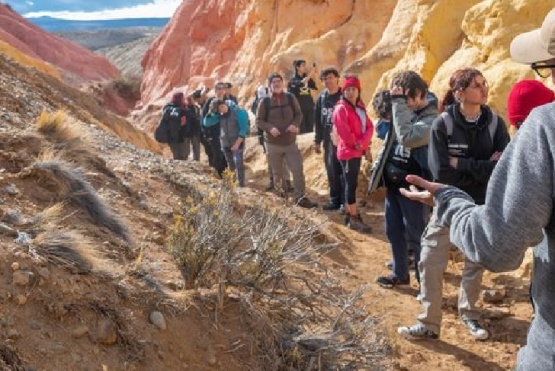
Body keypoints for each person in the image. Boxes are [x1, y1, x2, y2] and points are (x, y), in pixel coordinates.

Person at [397, 68, 510, 341]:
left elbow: (503, 169)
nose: (484, 90)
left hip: (482, 206)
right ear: (459, 93)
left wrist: (463, 164)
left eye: (485, 83)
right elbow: (442, 174)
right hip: (448, 205)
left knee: (475, 263)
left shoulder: (495, 123)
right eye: (477, 86)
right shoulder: (443, 124)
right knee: (430, 261)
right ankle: (428, 323)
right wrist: (484, 166)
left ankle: (470, 315)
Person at [373, 71, 438, 289]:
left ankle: (425, 286)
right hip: (394, 185)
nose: (402, 103)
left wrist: (399, 105)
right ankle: (400, 274)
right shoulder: (401, 110)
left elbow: (409, 138)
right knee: (393, 231)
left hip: (415, 189)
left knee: (417, 237)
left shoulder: (432, 118)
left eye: (406, 98)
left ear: (420, 94)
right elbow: (389, 141)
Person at [256, 72, 317, 208]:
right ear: (270, 85)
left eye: (279, 81)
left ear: (282, 83)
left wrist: (295, 125)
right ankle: (281, 201)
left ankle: (300, 198)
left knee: (297, 170)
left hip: (290, 142)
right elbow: (259, 121)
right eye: (274, 82)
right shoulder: (264, 102)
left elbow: (298, 114)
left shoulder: (290, 98)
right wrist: (270, 128)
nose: (277, 84)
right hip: (273, 144)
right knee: (278, 174)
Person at [331, 76, 373, 232]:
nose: (350, 92)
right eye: (347, 89)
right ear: (343, 91)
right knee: (350, 184)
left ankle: (349, 215)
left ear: (358, 90)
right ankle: (353, 216)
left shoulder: (360, 108)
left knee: (351, 183)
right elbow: (344, 132)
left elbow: (369, 127)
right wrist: (358, 144)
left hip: (357, 150)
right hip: (348, 152)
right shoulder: (341, 108)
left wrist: (362, 144)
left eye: (353, 89)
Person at [313, 67, 345, 211]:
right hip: (328, 141)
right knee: (331, 171)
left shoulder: (345, 95)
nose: (328, 81)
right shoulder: (322, 98)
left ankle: (346, 202)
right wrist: (317, 141)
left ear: (337, 78)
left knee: (344, 171)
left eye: (331, 77)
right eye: (325, 79)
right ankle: (335, 200)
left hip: (344, 141)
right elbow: (318, 121)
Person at [252, 85, 293, 192]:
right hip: (266, 136)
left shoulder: (274, 101)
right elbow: (258, 120)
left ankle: (286, 181)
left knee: (282, 159)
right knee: (271, 160)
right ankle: (274, 180)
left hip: (280, 135)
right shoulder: (260, 103)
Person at [210, 99, 249, 187]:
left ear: (222, 106)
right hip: (225, 143)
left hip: (237, 142)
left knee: (238, 163)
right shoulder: (220, 114)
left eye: (219, 110)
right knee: (230, 165)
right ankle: (233, 184)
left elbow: (243, 129)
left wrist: (237, 144)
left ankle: (241, 185)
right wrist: (210, 113)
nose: (220, 113)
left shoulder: (238, 112)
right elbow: (206, 123)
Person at [288, 59, 317, 133]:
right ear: (297, 67)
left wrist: (315, 74)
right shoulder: (293, 80)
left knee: (310, 131)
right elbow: (301, 83)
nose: (305, 67)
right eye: (303, 65)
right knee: (303, 131)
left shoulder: (307, 78)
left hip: (309, 108)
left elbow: (316, 87)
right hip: (300, 110)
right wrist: (310, 74)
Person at [160, 91, 188, 160]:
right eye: (183, 98)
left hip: (170, 135)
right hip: (180, 135)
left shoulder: (167, 107)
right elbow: (183, 123)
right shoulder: (182, 109)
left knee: (176, 155)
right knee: (183, 155)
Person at [183, 95, 201, 161]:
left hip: (195, 131)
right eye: (188, 99)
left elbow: (199, 118)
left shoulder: (196, 108)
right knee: (186, 149)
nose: (190, 101)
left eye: (191, 99)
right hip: (186, 132)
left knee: (196, 148)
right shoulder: (184, 108)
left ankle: (196, 161)